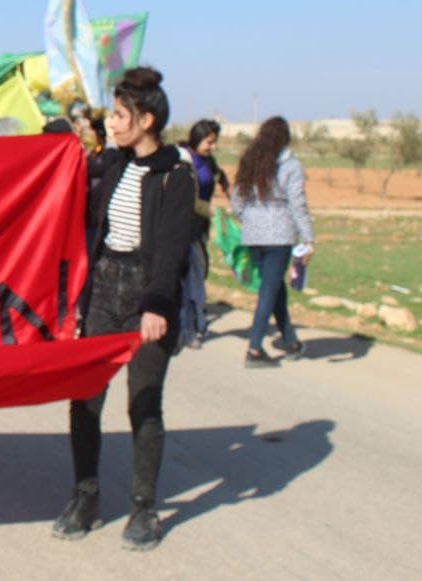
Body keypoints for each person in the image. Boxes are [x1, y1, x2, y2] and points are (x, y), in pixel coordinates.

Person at [53, 67, 195, 551]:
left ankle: (143, 507)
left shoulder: (176, 176)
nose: (111, 123)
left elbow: (172, 248)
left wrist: (156, 306)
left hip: (148, 296)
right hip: (104, 291)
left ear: (146, 120)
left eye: (119, 115)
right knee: (85, 398)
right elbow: (86, 215)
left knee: (144, 402)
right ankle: (86, 496)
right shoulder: (114, 165)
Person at [230, 116, 313, 367]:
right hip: (279, 235)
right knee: (269, 290)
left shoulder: (250, 160)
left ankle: (290, 340)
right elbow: (297, 204)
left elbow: (237, 198)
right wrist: (308, 238)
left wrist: (248, 218)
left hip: (253, 234)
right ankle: (254, 348)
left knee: (274, 286)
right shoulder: (291, 165)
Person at [177, 120, 230, 348]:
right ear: (197, 139)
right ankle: (192, 328)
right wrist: (209, 210)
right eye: (209, 142)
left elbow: (218, 176)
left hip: (200, 228)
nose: (213, 147)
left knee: (197, 274)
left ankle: (193, 324)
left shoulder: (208, 160)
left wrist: (227, 187)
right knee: (191, 277)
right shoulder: (183, 161)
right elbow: (185, 196)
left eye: (214, 142)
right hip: (183, 226)